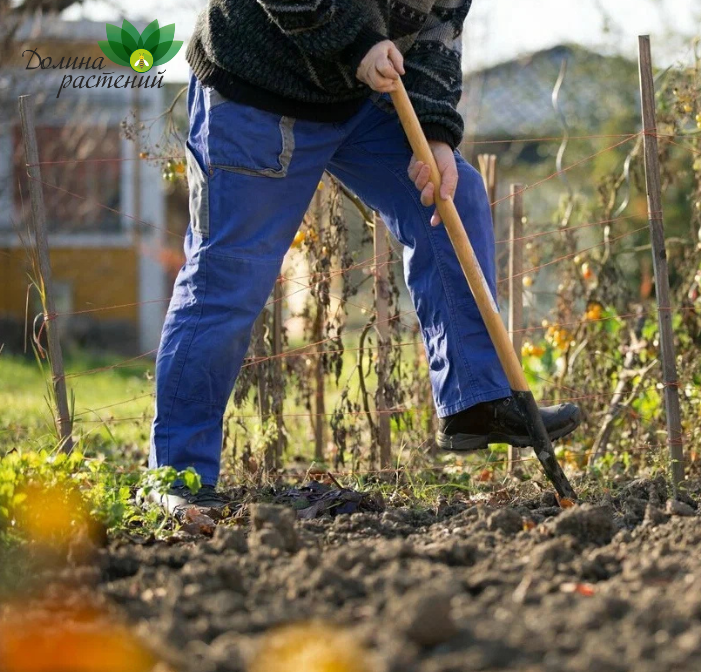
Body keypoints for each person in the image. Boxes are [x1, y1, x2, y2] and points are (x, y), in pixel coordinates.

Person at [149, 0, 581, 513]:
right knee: (227, 280)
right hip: (258, 90)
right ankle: (179, 481)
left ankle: (475, 400)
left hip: (355, 99)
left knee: (451, 197)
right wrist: (357, 43)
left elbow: (437, 33)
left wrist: (437, 133)